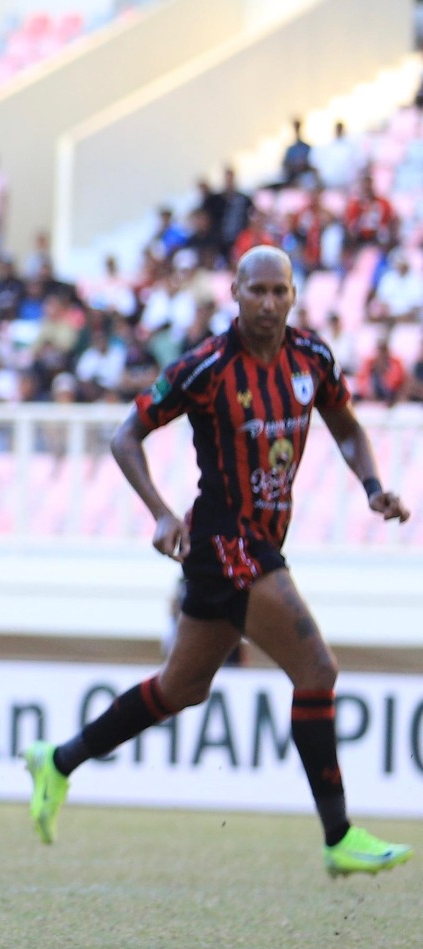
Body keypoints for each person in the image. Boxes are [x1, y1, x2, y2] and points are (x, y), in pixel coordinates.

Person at [23, 246, 413, 878]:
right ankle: (339, 836)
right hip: (222, 542)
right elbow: (126, 436)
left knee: (182, 688)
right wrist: (160, 511)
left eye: (279, 292)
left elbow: (344, 425)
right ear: (234, 291)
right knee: (317, 668)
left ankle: (58, 760)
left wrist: (371, 486)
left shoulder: (312, 358)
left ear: (293, 295)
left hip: (263, 540)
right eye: (255, 290)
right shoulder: (205, 367)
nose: (267, 303)